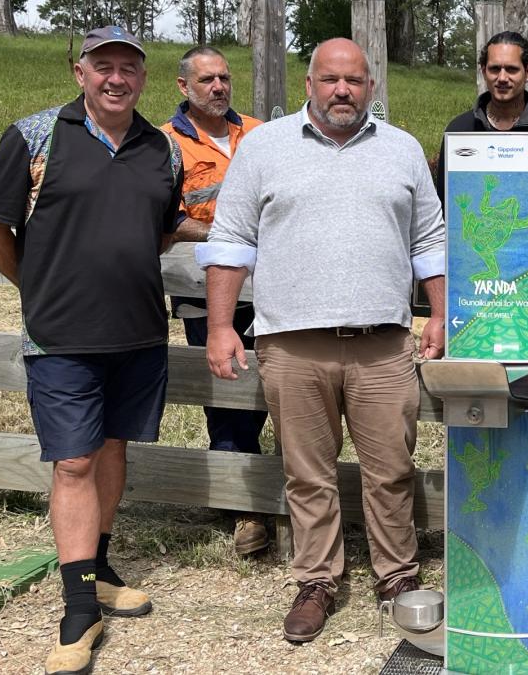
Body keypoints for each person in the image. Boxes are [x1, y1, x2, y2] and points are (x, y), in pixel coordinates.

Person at [197, 37, 446, 644]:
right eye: (330, 80)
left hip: (384, 342)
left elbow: (430, 240)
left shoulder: (403, 149)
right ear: (308, 83)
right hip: (293, 341)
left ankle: (396, 575)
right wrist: (221, 324)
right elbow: (230, 241)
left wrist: (439, 315)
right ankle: (317, 580)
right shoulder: (264, 146)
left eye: (355, 81)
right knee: (308, 473)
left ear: (370, 87)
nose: (342, 91)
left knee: (391, 469)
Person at [0, 26, 183, 675]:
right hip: (59, 337)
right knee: (72, 466)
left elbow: (163, 231)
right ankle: (78, 607)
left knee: (112, 448)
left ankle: (102, 565)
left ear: (143, 79)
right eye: (103, 66)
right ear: (79, 73)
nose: (116, 78)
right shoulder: (34, 137)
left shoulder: (162, 148)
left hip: (140, 333)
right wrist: (34, 288)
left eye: (129, 68)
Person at [161, 45, 271, 557]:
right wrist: (225, 235)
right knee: (226, 393)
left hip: (271, 287)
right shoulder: (166, 144)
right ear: (184, 87)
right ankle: (245, 509)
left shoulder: (262, 132)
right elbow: (167, 220)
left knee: (270, 392)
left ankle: (257, 489)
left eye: (225, 77)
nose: (219, 87)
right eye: (207, 80)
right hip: (208, 292)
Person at [436, 31, 528, 192]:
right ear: (483, 71)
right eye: (495, 69)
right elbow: (443, 199)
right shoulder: (459, 130)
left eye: (511, 69)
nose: (502, 78)